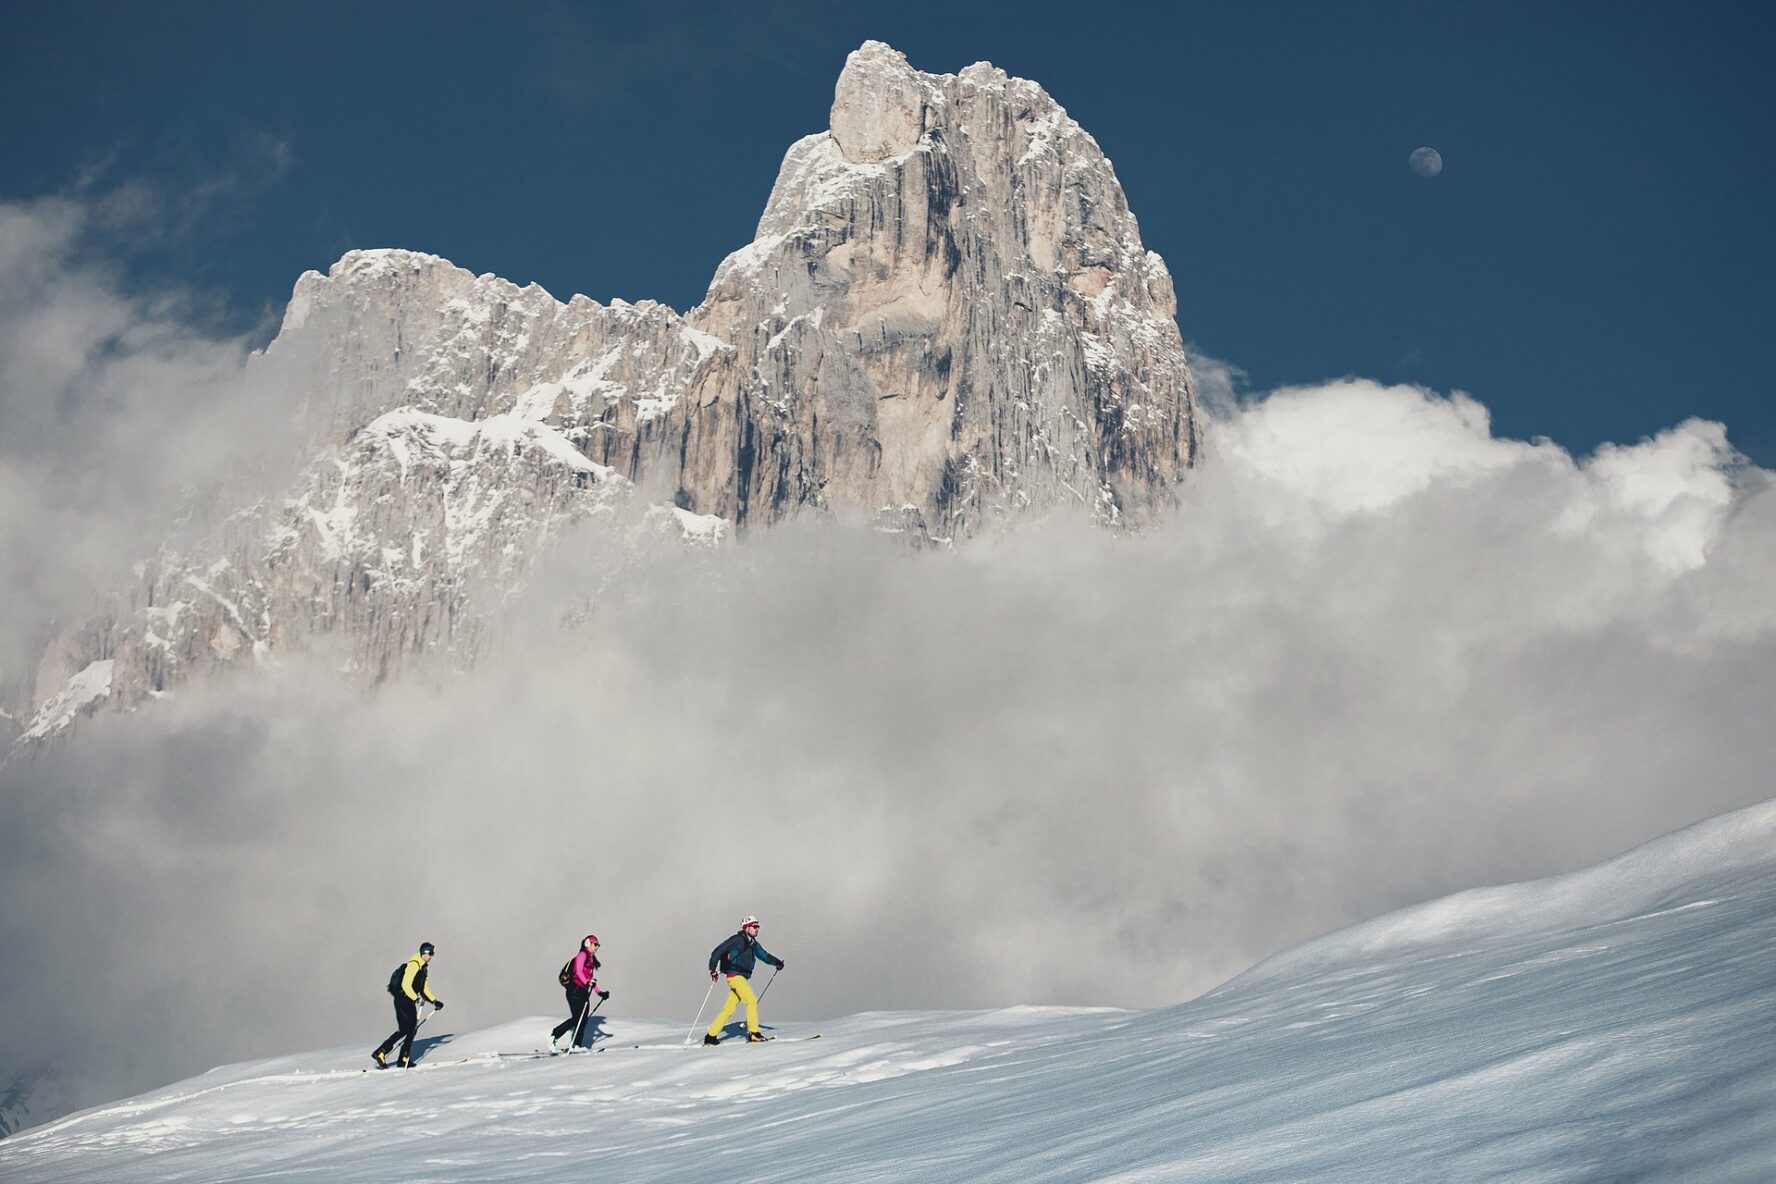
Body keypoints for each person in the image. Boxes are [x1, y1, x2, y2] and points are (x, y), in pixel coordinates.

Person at [705, 915, 785, 1044]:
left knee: (728, 1009)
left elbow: (764, 955)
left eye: (758, 926)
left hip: (741, 978)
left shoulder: (753, 944)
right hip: (734, 976)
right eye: (754, 926)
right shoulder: (736, 940)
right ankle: (754, 1033)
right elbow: (717, 952)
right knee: (751, 1000)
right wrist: (712, 969)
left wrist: (777, 962)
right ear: (746, 927)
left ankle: (711, 1036)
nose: (757, 929)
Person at [372, 942, 442, 1068]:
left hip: (408, 1000)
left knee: (405, 1029)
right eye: (430, 953)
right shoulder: (414, 965)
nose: (432, 956)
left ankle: (381, 1052)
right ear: (424, 953)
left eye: (433, 953)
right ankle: (403, 1058)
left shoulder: (424, 968)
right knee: (410, 1029)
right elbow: (406, 985)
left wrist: (434, 1001)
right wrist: (416, 998)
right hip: (403, 999)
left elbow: (424, 989)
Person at [551, 934, 610, 1050]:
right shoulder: (582, 955)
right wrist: (587, 983)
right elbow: (578, 972)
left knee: (583, 1020)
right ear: (588, 944)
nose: (597, 947)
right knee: (577, 1018)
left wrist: (599, 993)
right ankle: (554, 1035)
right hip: (574, 991)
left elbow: (590, 979)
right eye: (595, 944)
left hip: (582, 992)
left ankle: (576, 1045)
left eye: (598, 945)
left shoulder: (591, 959)